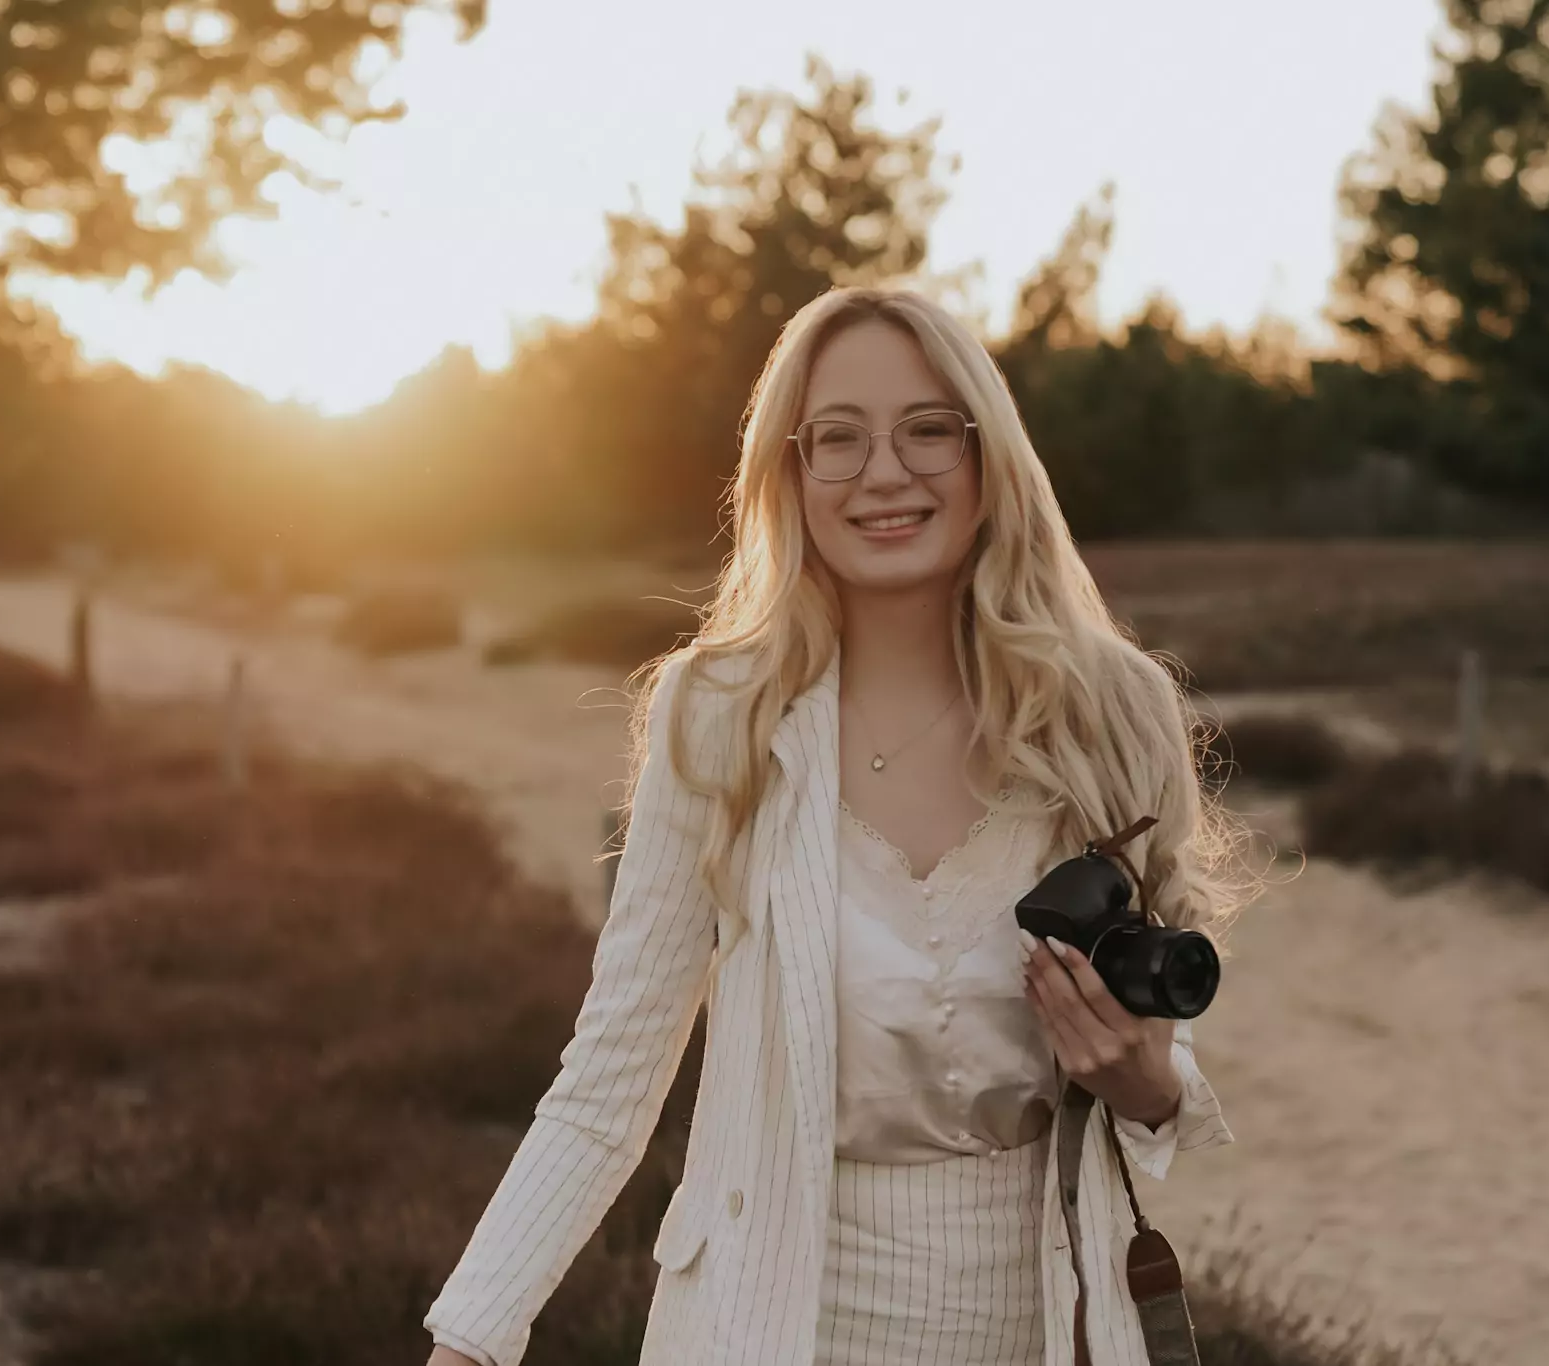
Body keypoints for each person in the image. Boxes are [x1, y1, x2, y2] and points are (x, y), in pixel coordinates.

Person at [423, 286, 1252, 1366]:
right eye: (838, 440)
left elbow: (1156, 1066)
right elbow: (608, 1078)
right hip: (766, 1323)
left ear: (985, 456)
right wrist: (471, 1338)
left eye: (925, 431)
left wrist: (1142, 1078)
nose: (884, 474)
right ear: (791, 472)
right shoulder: (718, 713)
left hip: (1044, 1322)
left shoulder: (1106, 710)